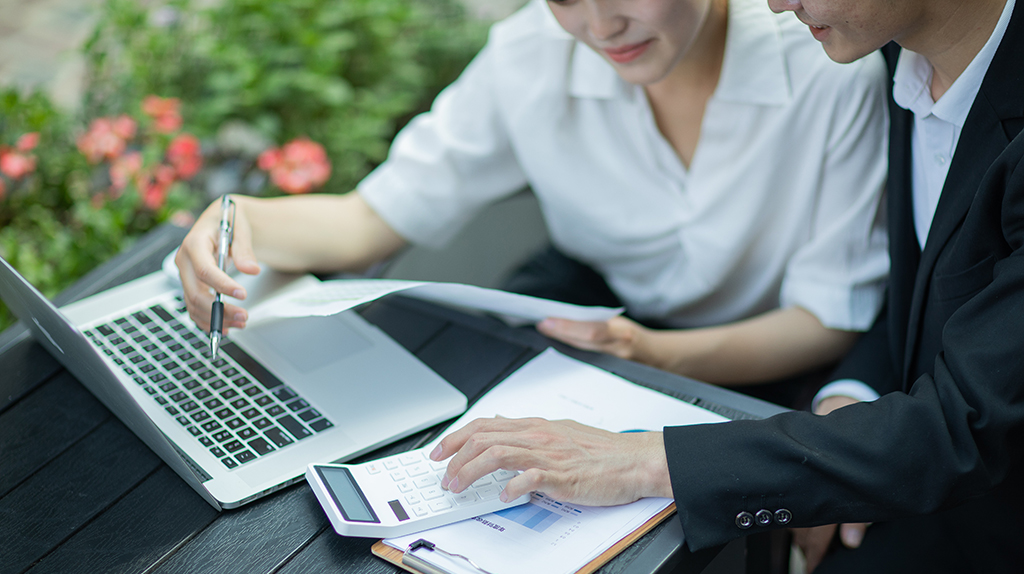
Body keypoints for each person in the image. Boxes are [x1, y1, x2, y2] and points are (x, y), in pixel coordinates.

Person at [430, 0, 1024, 574]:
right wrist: (846, 402)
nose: (773, 2)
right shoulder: (897, 57)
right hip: (937, 498)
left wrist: (645, 461)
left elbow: (963, 427)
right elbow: (927, 290)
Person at [176, 0, 890, 402]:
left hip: (775, 362)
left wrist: (651, 353)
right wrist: (240, 219)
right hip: (609, 325)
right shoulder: (528, 59)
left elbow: (827, 316)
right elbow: (371, 219)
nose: (601, 27)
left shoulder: (828, 65)